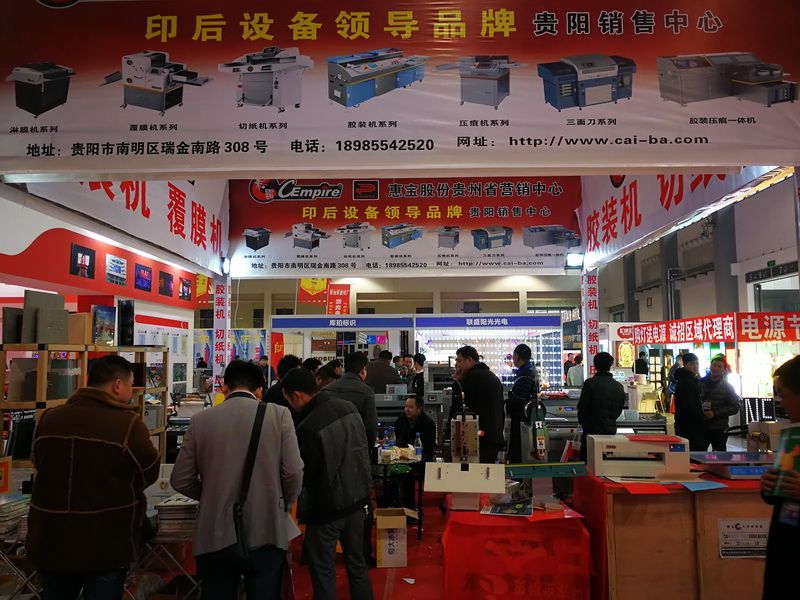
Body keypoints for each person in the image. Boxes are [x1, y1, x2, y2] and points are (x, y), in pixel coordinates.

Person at [27, 355, 160, 600]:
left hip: (51, 538)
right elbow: (150, 471)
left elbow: (37, 463)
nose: (131, 392)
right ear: (117, 385)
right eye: (131, 385)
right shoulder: (127, 425)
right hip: (105, 540)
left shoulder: (49, 418)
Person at [171, 360, 303, 600]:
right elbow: (293, 471)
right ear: (260, 389)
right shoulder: (279, 415)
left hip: (214, 532)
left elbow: (180, 479)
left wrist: (211, 494)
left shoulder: (201, 420)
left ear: (224, 387)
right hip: (265, 528)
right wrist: (282, 502)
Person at [282, 368, 374, 600]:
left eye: (289, 400)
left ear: (297, 395)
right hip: (358, 500)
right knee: (357, 564)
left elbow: (307, 475)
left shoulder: (307, 427)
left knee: (323, 570)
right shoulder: (349, 408)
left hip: (327, 509)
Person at [760, 356, 800, 600]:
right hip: (786, 544)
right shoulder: (792, 435)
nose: (781, 402)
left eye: (784, 395)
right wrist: (770, 486)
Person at [449, 345, 505, 463]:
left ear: (469, 360)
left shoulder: (467, 380)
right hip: (494, 436)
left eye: (459, 360)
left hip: (473, 439)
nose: (457, 364)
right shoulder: (494, 378)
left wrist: (457, 382)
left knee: (471, 472)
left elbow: (457, 408)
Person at [578, 352, 626, 462]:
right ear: (610, 366)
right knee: (607, 462)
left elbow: (583, 408)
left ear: (595, 366)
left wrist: (583, 421)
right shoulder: (618, 386)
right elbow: (618, 410)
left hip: (591, 430)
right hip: (610, 430)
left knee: (589, 462)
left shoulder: (590, 383)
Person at [325, 352, 378, 446]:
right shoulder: (366, 391)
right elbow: (370, 426)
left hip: (329, 445)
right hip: (355, 446)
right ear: (363, 370)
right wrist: (369, 447)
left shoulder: (327, 389)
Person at [699, 354, 740, 451]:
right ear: (710, 366)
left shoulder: (728, 387)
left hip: (719, 428)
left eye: (719, 366)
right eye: (714, 365)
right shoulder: (699, 383)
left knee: (719, 455)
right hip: (701, 426)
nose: (716, 368)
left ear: (724, 370)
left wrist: (715, 413)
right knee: (698, 453)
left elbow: (735, 407)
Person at [506, 344, 538, 464]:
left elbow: (519, 399)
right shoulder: (529, 370)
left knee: (518, 452)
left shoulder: (525, 374)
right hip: (526, 417)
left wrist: (506, 405)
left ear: (517, 357)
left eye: (513, 356)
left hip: (521, 419)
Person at [673, 353, 706, 451]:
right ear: (685, 365)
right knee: (694, 451)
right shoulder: (687, 382)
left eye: (697, 363)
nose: (695, 366)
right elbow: (691, 405)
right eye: (692, 364)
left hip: (683, 423)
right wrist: (701, 418)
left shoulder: (688, 379)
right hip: (691, 425)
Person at [395, 396, 436, 462]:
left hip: (420, 460)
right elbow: (397, 439)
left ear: (419, 409)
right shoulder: (401, 420)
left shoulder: (428, 423)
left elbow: (428, 449)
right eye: (406, 406)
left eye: (410, 407)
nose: (407, 409)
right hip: (401, 458)